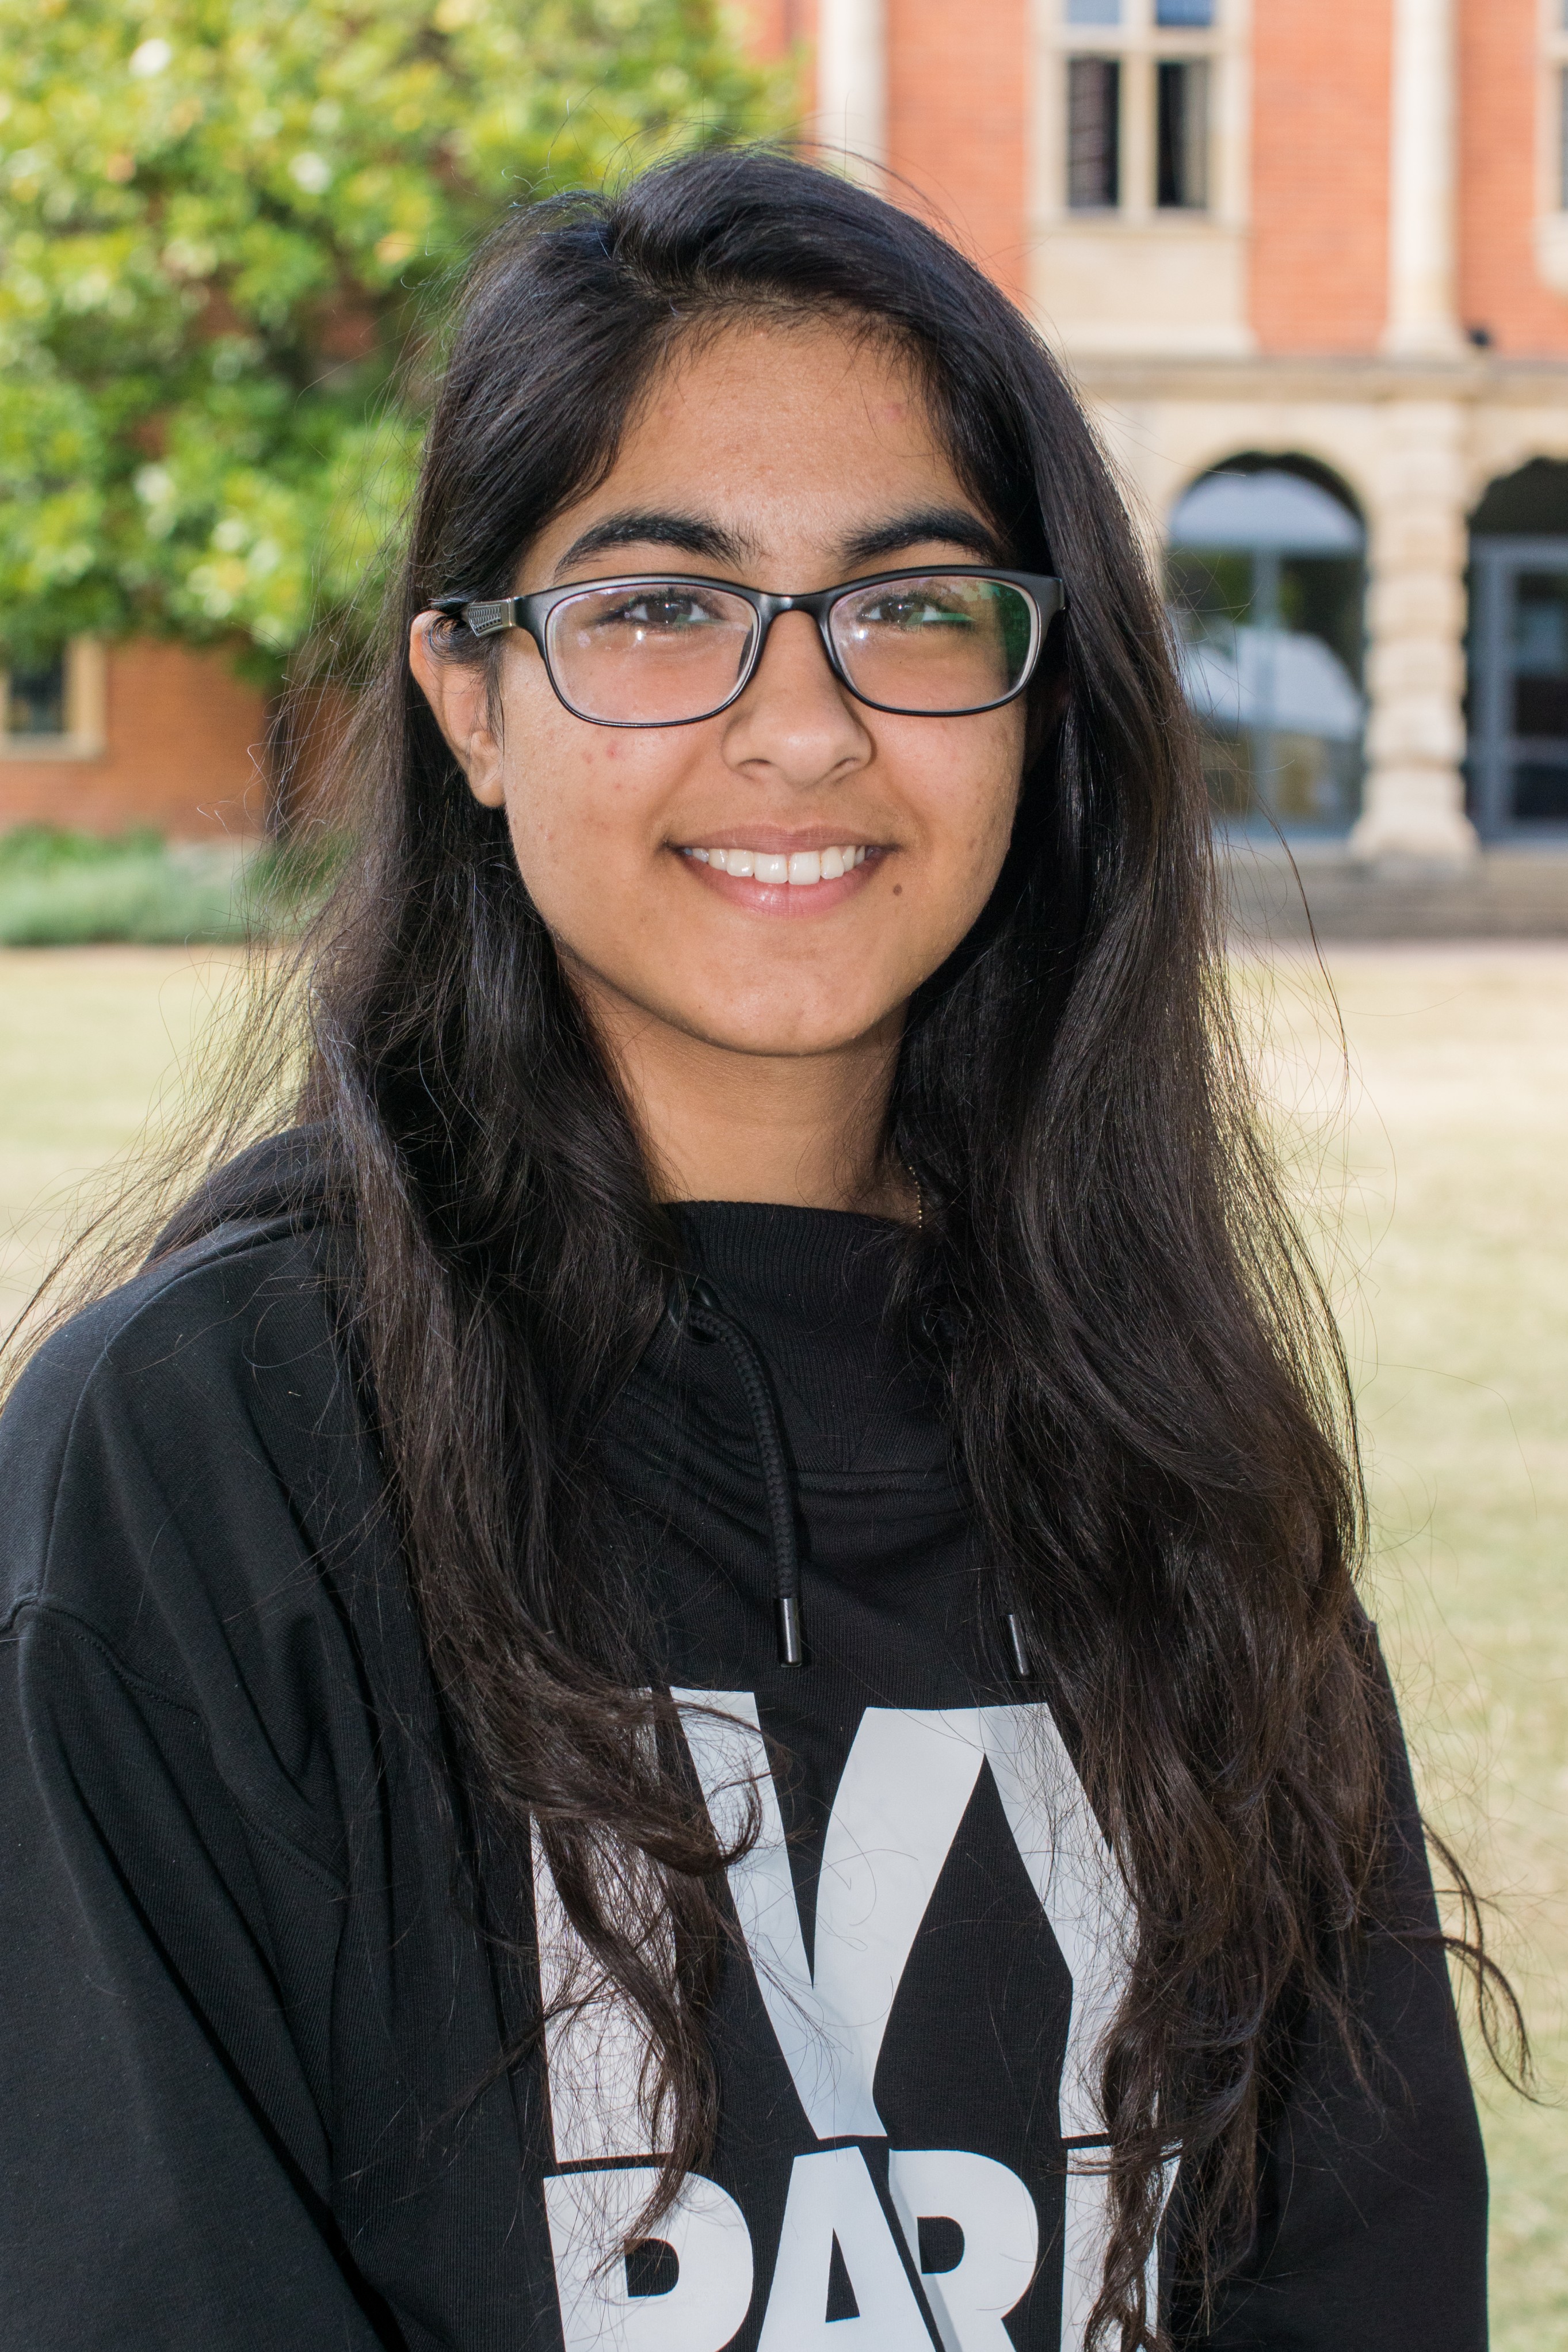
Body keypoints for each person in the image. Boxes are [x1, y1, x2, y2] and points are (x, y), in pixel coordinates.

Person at [0, 149, 1493, 2351]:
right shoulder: (202, 1464)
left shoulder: (1169, 1447)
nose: (803, 724)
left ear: (1036, 697)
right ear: (472, 700)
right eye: (658, 605)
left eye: (909, 604)